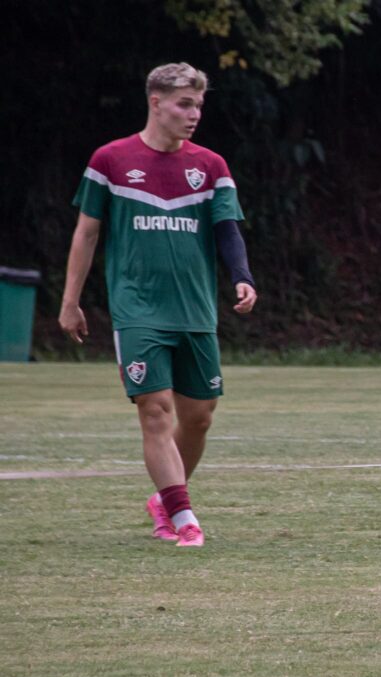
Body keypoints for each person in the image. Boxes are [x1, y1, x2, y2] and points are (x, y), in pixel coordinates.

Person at [59, 63, 257, 548]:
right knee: (155, 409)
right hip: (137, 306)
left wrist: (243, 277)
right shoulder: (110, 159)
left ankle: (165, 497)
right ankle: (184, 516)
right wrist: (70, 301)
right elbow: (87, 232)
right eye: (184, 104)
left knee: (200, 416)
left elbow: (226, 230)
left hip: (194, 310)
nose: (194, 115)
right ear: (155, 102)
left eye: (198, 106)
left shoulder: (210, 166)